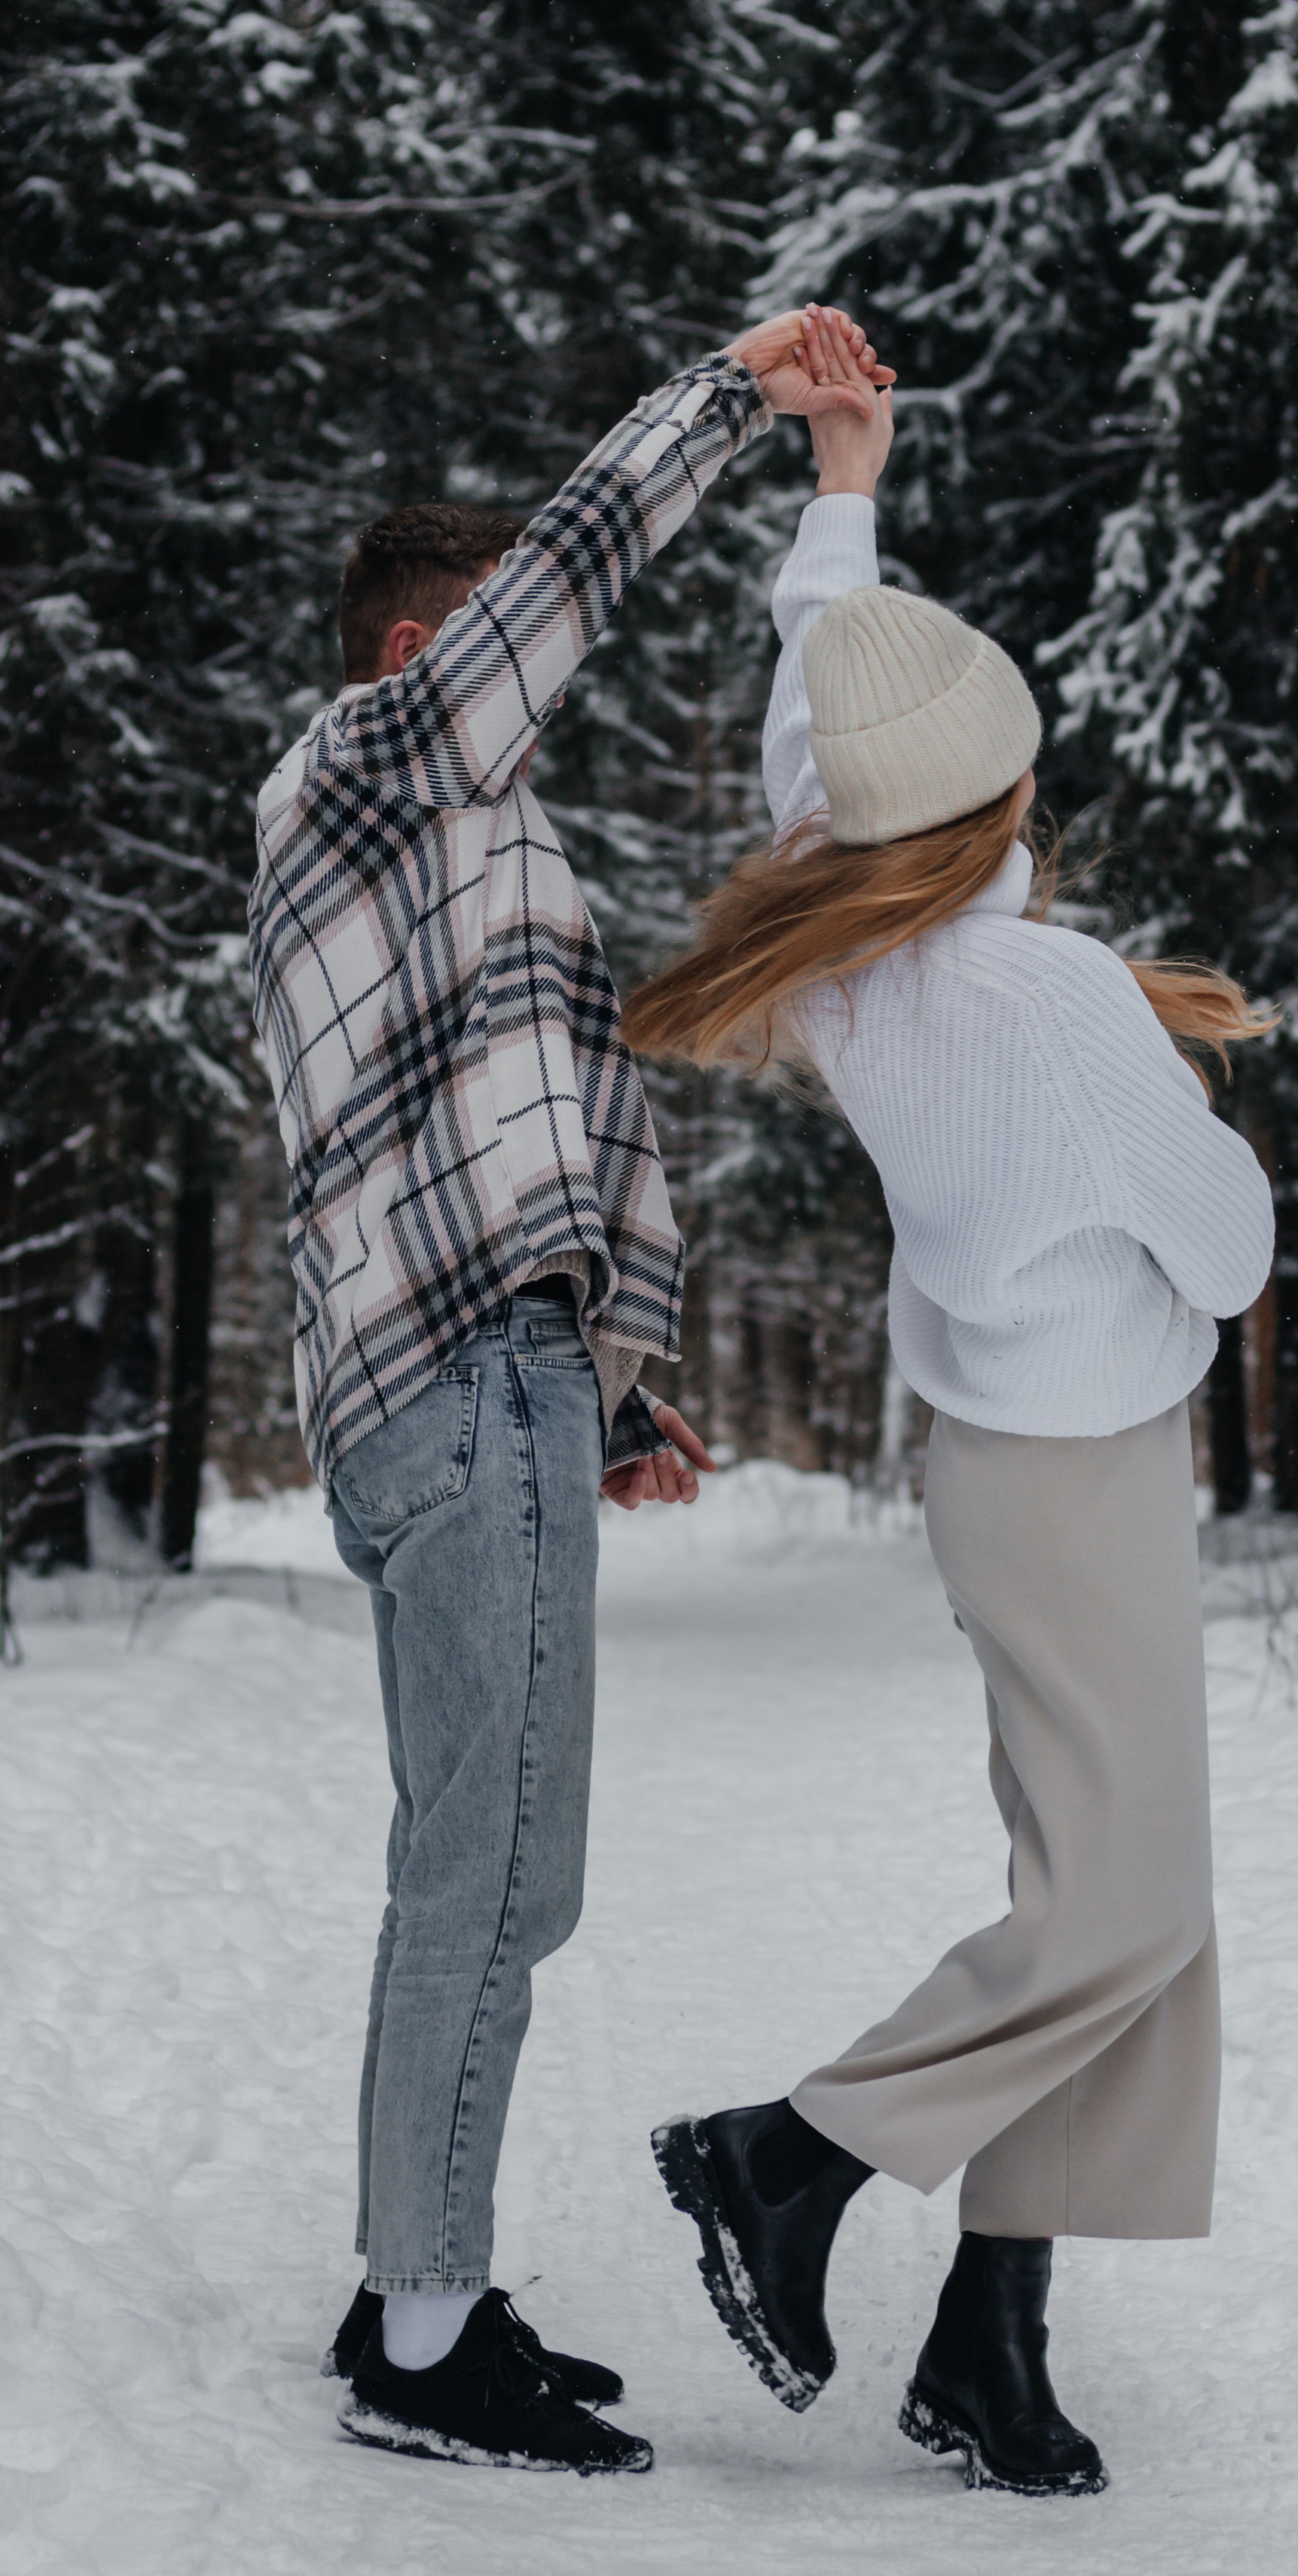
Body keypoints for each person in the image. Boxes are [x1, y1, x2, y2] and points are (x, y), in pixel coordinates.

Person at [625, 312, 1276, 2498]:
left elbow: (816, 687)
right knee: (1124, 1911)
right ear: (1005, 793)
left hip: (996, 1465)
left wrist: (844, 482)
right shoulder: (1059, 996)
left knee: (1113, 1895)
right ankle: (790, 2157)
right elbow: (1234, 1249)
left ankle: (991, 2339)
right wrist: (1196, 1117)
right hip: (1085, 1480)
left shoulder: (831, 919)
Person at [246, 310, 893, 2474]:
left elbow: (524, 1136)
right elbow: (570, 577)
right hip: (451, 1391)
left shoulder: (443, 849)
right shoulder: (374, 760)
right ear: (424, 645)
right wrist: (737, 395)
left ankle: (411, 2284)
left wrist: (615, 1388)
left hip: (482, 1379)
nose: (533, 680)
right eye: (490, 636)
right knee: (499, 1878)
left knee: (480, 1864)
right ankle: (424, 2347)